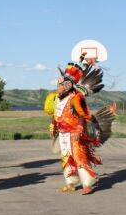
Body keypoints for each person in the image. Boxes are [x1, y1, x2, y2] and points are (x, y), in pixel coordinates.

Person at [45, 57, 114, 195]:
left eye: (62, 85)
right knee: (66, 158)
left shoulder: (75, 98)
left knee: (79, 157)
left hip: (74, 133)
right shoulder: (58, 99)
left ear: (69, 85)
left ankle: (87, 183)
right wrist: (53, 126)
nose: (59, 87)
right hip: (63, 134)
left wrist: (80, 129)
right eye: (59, 85)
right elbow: (56, 115)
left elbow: (83, 115)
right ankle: (71, 182)